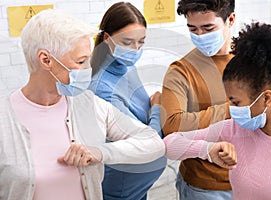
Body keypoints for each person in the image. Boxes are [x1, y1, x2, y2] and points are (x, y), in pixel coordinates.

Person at [0, 9, 165, 200]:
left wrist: (100, 152)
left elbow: (153, 143)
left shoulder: (90, 105)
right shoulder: (4, 119)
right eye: (81, 61)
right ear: (46, 60)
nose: (89, 68)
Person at [164, 22, 271, 200]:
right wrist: (207, 150)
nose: (231, 109)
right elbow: (169, 144)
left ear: (266, 98)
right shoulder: (234, 130)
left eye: (235, 102)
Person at [88, 2, 166, 200]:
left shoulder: (125, 65)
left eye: (141, 42)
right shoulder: (102, 89)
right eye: (127, 42)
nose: (135, 49)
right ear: (107, 38)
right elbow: (146, 141)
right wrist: (157, 108)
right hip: (122, 187)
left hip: (137, 185)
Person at [160, 0, 235, 199]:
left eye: (208, 28)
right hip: (204, 187)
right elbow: (172, 126)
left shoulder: (251, 59)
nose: (200, 36)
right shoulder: (180, 71)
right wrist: (233, 109)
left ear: (231, 20)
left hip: (251, 178)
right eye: (193, 29)